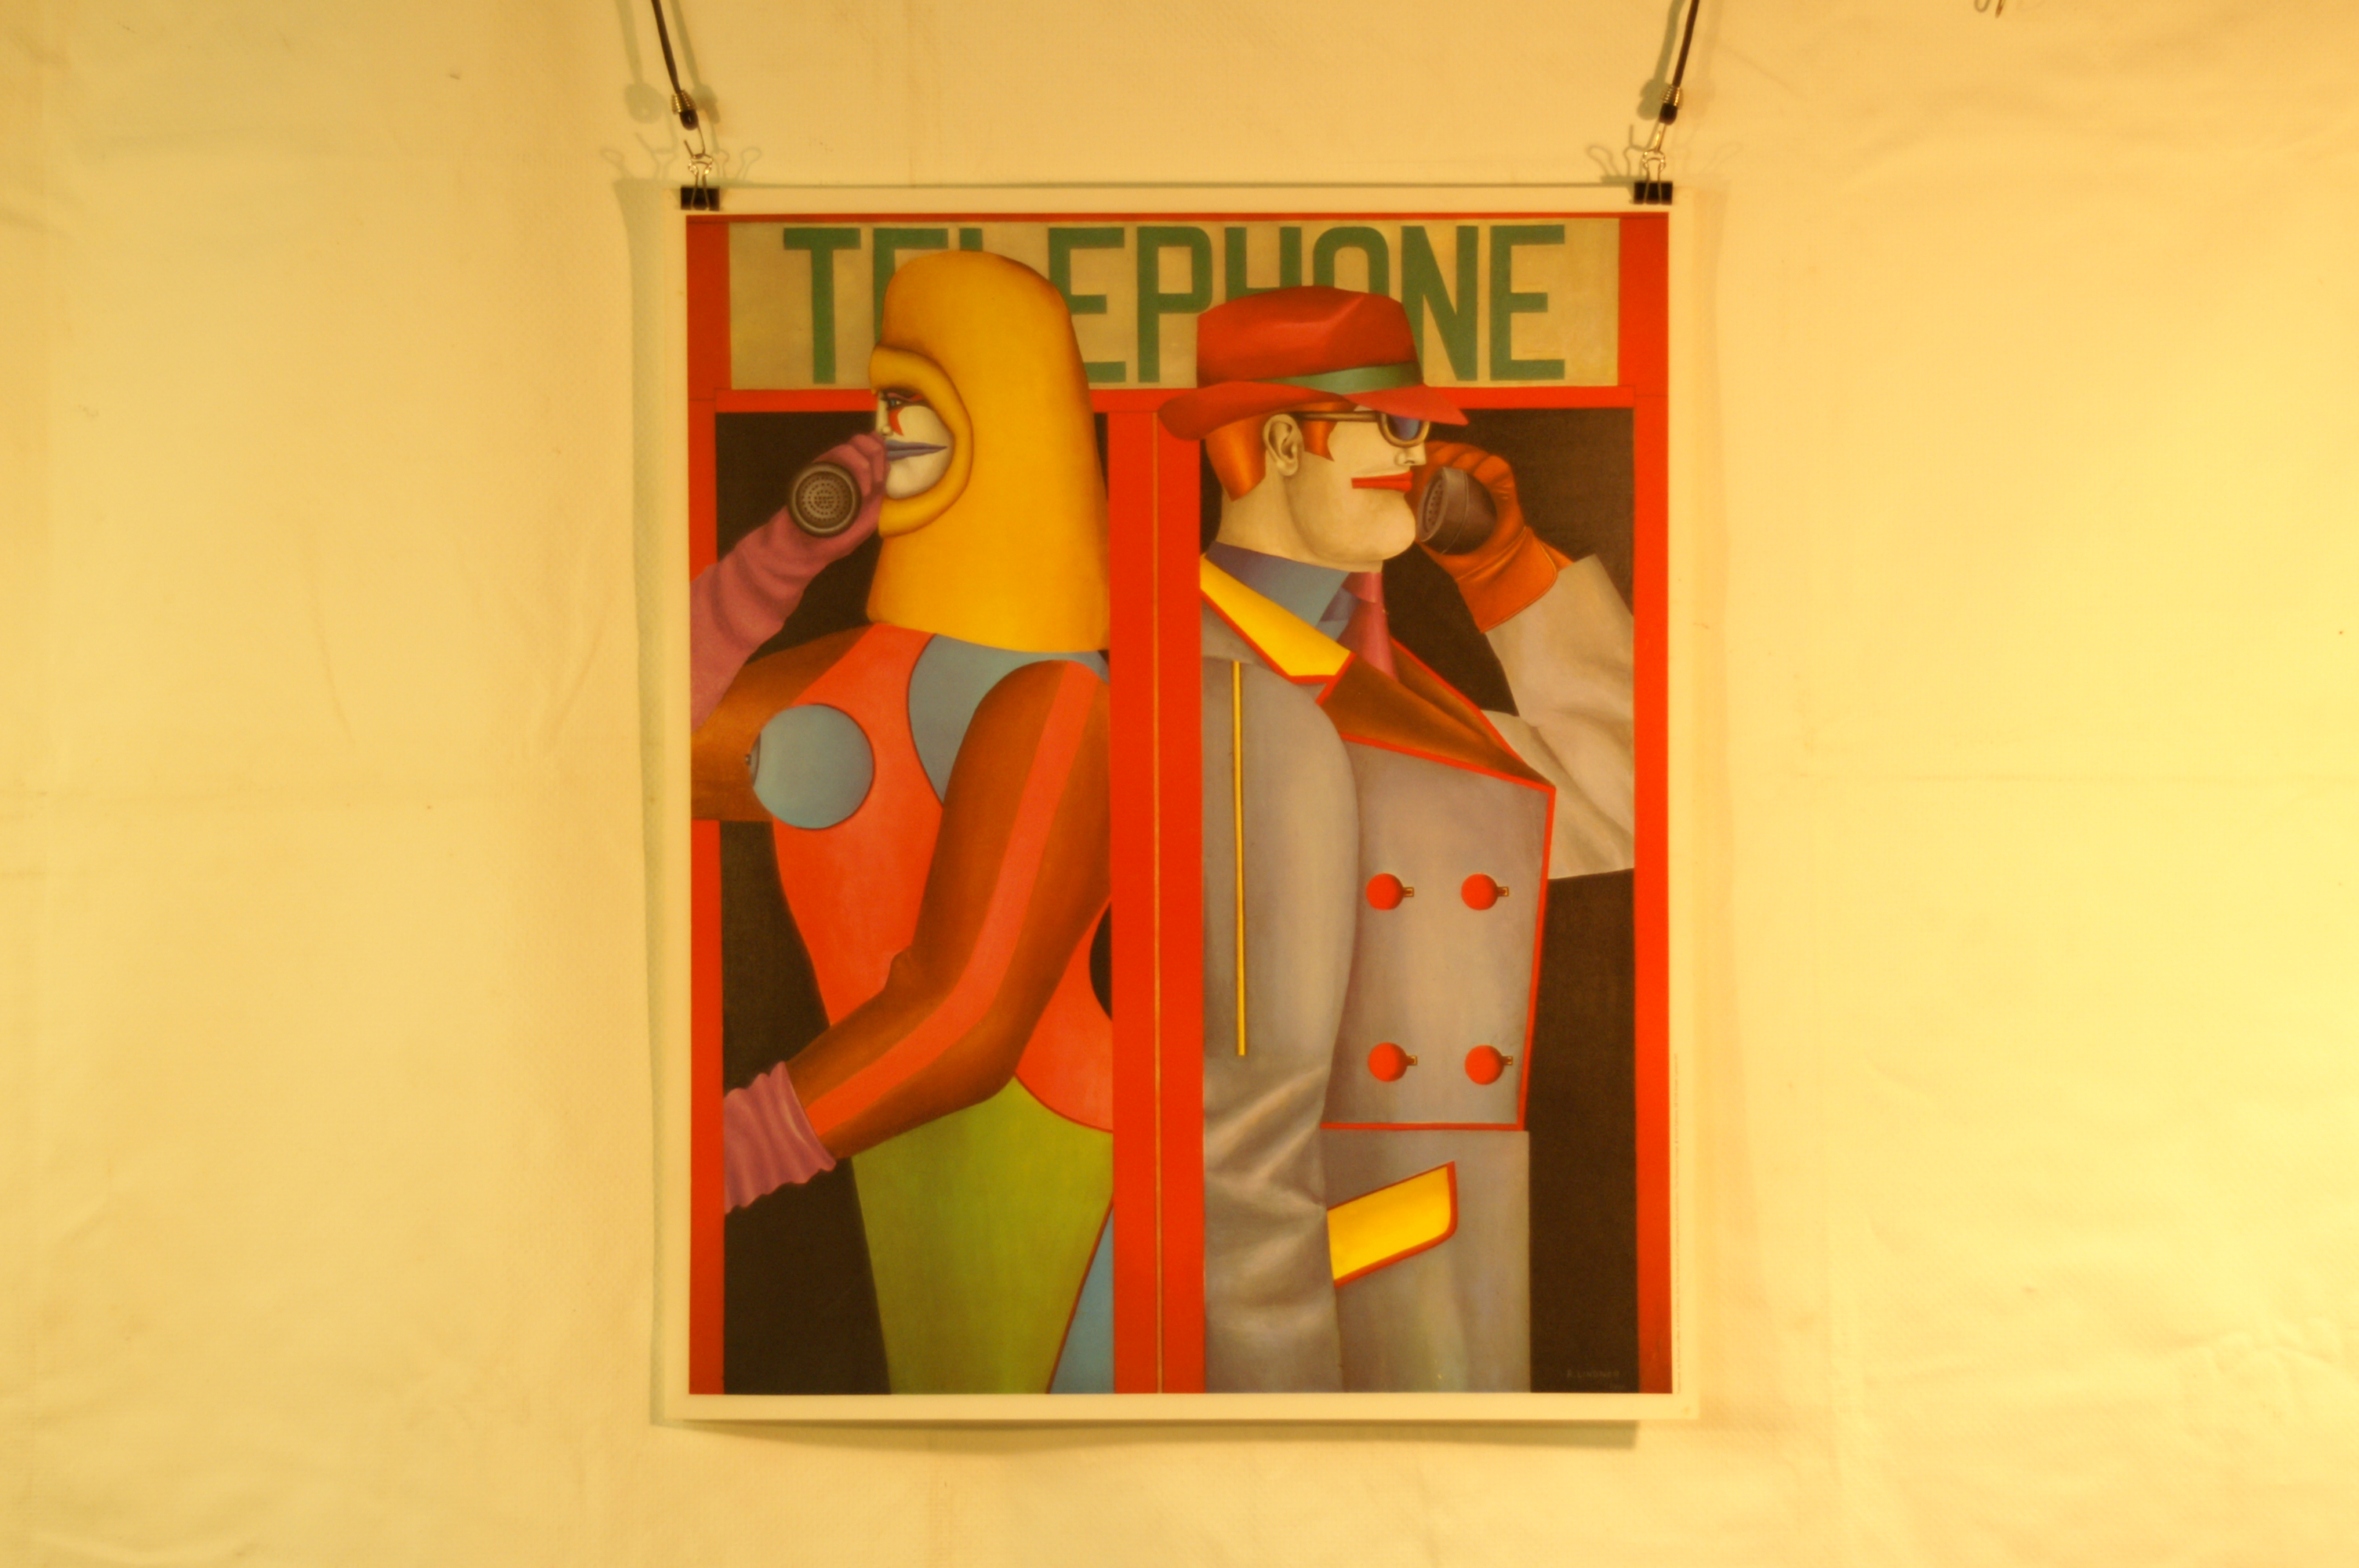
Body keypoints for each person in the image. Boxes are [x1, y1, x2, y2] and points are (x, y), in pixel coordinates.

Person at [1159, 285, 1635, 1392]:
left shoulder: (1383, 675)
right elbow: (1222, 1124)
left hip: (1445, 1252)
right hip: (1308, 1284)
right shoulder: (1191, 678)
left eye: (1419, 427)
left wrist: (1507, 570)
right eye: (1392, 425)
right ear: (1283, 443)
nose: (1418, 458)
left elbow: (1621, 803)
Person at [690, 249, 1115, 1394]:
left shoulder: (1062, 700)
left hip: (1069, 1187)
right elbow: (637, 746)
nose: (887, 432)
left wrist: (706, 1167)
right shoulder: (860, 669)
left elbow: (963, 1020)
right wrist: (785, 553)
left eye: (916, 399)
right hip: (896, 1172)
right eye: (884, 400)